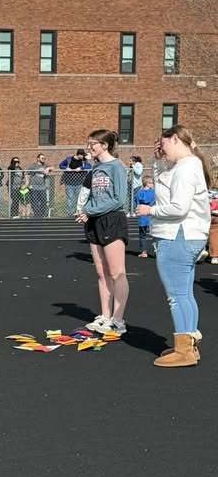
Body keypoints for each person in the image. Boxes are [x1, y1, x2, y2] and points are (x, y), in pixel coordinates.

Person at [136, 125, 211, 367]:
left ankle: (184, 352)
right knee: (185, 294)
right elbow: (165, 190)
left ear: (175, 139)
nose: (161, 148)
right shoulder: (185, 165)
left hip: (178, 235)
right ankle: (188, 344)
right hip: (186, 235)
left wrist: (150, 210)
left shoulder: (187, 167)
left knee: (176, 296)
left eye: (163, 143)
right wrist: (157, 162)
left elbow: (178, 206)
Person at [76, 129, 129, 336]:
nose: (89, 148)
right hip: (94, 221)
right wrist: (84, 212)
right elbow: (91, 195)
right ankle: (105, 316)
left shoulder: (116, 167)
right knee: (101, 272)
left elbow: (118, 199)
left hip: (112, 221)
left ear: (104, 145)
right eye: (89, 144)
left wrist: (88, 210)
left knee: (117, 272)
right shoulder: (95, 168)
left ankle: (118, 319)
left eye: (93, 144)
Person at [58, 149, 89, 216]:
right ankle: (69, 214)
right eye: (82, 155)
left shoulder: (84, 161)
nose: (83, 156)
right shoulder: (69, 159)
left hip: (80, 183)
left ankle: (79, 213)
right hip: (69, 183)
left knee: (80, 199)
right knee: (70, 199)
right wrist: (66, 168)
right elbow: (60, 165)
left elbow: (89, 166)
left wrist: (81, 168)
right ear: (79, 154)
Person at [135, 176, 155, 257]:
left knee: (142, 235)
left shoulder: (139, 193)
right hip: (151, 215)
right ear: (147, 183)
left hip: (142, 216)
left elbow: (136, 202)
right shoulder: (153, 192)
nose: (153, 184)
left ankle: (144, 252)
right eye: (151, 183)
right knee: (155, 234)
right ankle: (158, 251)